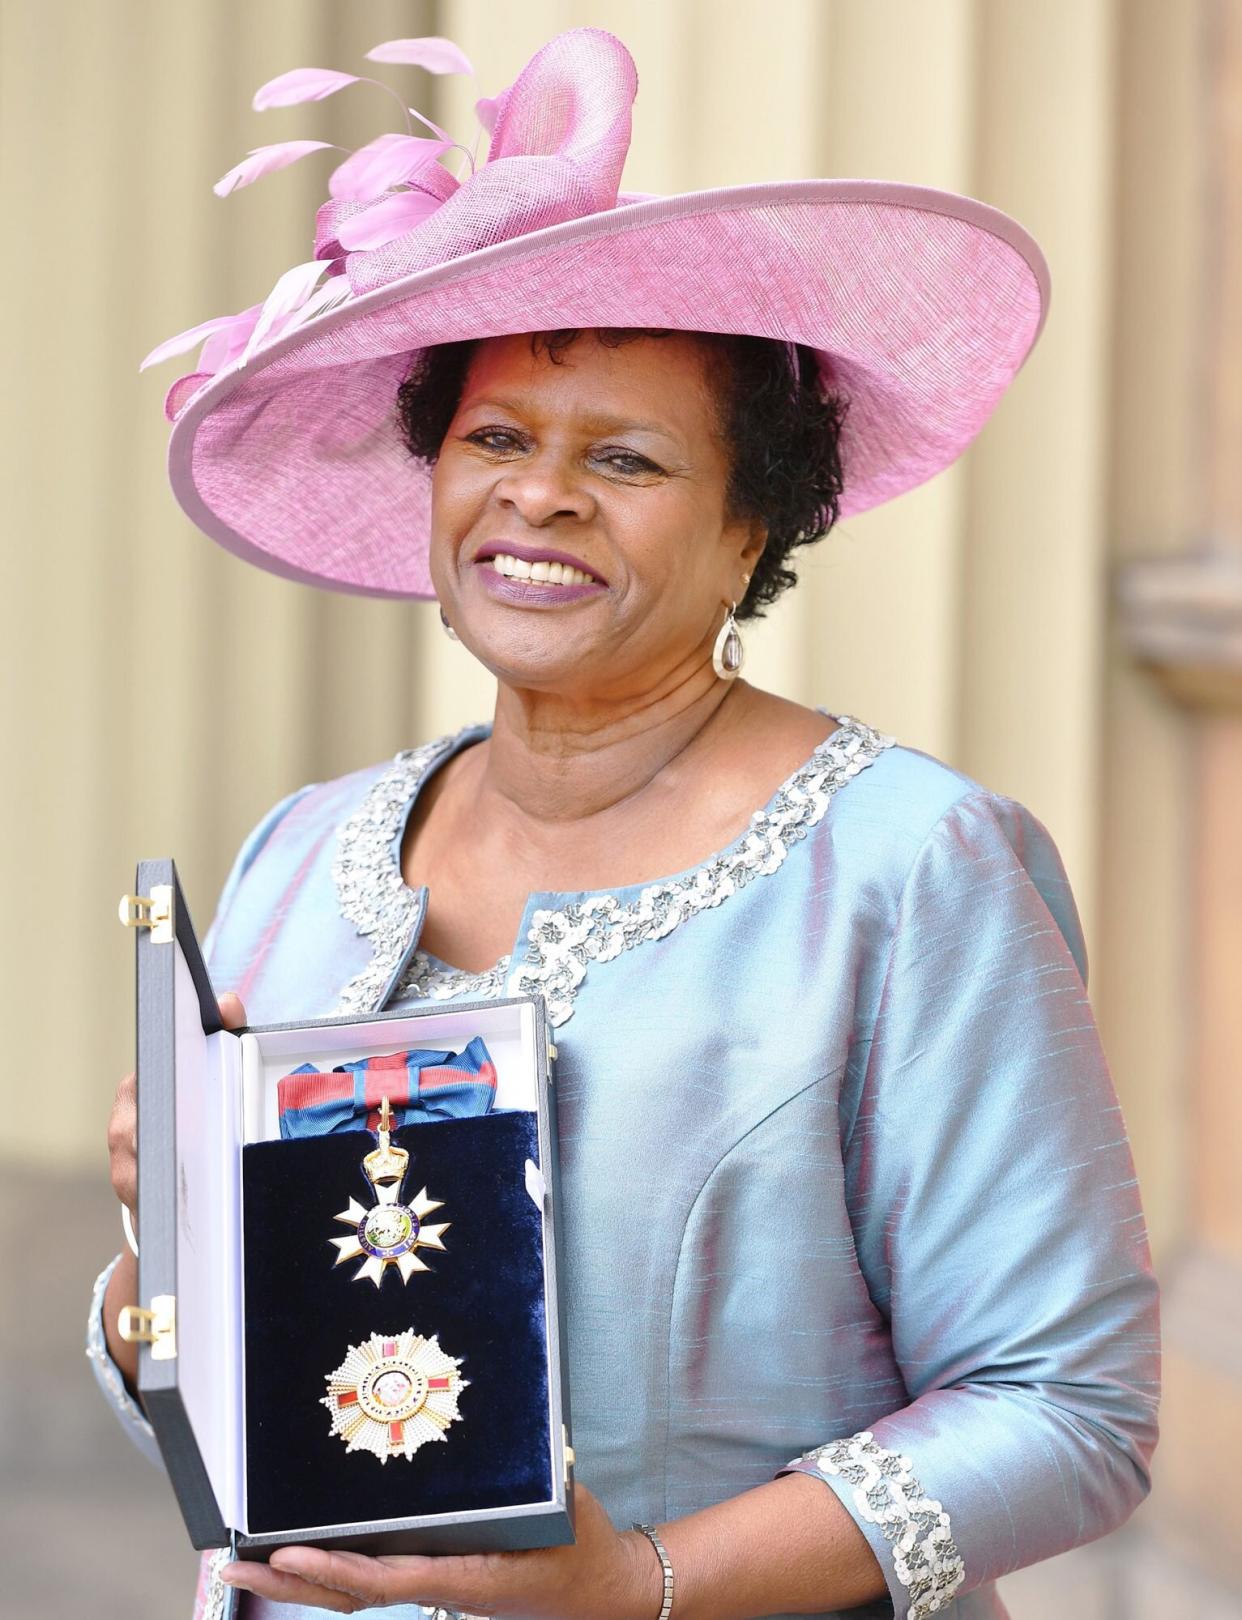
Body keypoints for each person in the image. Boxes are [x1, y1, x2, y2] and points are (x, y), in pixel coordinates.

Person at [89, 26, 1159, 1620]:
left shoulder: (906, 866)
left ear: (754, 530)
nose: (541, 496)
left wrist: (637, 1583)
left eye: (629, 459)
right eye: (498, 439)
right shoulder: (300, 854)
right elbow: (217, 1404)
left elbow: (1067, 1414)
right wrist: (156, 1270)